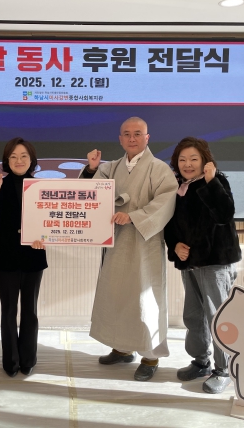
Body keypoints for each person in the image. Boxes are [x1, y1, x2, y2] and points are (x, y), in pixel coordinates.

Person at [80, 116, 177, 381]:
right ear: (120, 139)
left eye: (137, 133)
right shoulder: (110, 167)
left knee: (145, 298)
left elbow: (166, 202)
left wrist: (133, 216)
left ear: (147, 138)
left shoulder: (159, 169)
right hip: (115, 242)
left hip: (144, 244)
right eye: (127, 134)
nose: (132, 138)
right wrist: (91, 169)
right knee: (116, 296)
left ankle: (150, 356)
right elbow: (89, 195)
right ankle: (122, 349)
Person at [163, 136, 242, 394]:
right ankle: (201, 361)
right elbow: (169, 224)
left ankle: (224, 369)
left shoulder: (217, 181)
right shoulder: (178, 187)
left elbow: (224, 214)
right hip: (190, 262)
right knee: (193, 315)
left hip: (215, 262)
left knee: (218, 316)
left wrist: (211, 180)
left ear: (205, 161)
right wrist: (175, 245)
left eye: (194, 159)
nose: (187, 164)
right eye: (182, 159)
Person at [0, 138, 47, 378]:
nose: (18, 160)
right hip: (6, 255)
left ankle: (28, 360)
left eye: (23, 156)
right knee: (9, 311)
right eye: (13, 156)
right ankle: (10, 362)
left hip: (34, 254)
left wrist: (45, 237)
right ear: (6, 160)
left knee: (30, 310)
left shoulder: (42, 187)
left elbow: (52, 221)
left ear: (31, 160)